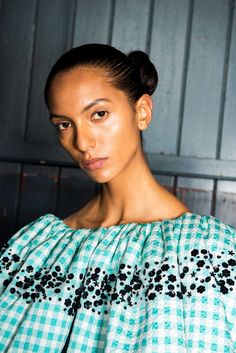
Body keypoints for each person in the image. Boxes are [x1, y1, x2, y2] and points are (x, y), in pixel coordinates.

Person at [0, 44, 235, 353]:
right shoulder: (34, 247)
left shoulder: (210, 251)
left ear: (142, 111)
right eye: (64, 124)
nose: (82, 142)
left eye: (99, 114)